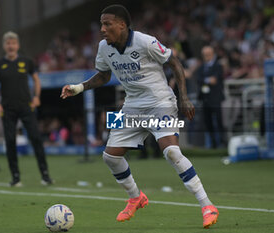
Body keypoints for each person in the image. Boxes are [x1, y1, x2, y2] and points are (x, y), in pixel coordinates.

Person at [61, 5, 218, 228]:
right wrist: (78, 88)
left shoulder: (145, 41)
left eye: (107, 24)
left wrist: (184, 97)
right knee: (110, 156)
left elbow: (174, 62)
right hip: (132, 106)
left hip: (160, 102)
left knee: (171, 151)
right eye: (101, 24)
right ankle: (136, 197)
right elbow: (104, 75)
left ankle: (207, 205)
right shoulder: (104, 47)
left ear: (122, 24)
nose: (103, 29)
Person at [0, 31, 52, 187]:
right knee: (10, 141)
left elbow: (36, 80)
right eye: (8, 43)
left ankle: (45, 175)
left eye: (13, 43)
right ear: (4, 46)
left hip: (26, 106)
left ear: (17, 45)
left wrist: (37, 97)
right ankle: (15, 177)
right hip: (7, 108)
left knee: (36, 139)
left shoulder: (27, 61)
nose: (11, 46)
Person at [194, 46, 225, 148]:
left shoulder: (218, 66)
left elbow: (215, 80)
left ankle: (222, 142)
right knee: (208, 122)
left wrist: (205, 80)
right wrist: (208, 80)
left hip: (216, 98)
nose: (206, 56)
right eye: (205, 55)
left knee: (219, 121)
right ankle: (213, 144)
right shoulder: (201, 68)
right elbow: (199, 80)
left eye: (208, 54)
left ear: (212, 54)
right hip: (205, 99)